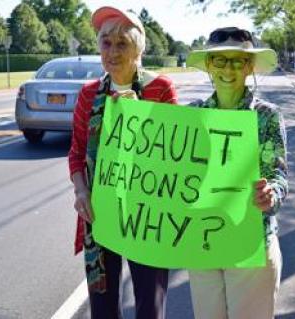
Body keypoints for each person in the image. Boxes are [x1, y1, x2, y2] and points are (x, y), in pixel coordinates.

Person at [68, 6, 177, 319]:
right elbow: (76, 152)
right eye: (106, 42)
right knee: (102, 310)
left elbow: (172, 155)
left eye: (122, 43)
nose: (112, 51)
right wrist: (80, 191)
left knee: (150, 307)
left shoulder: (160, 89)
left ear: (138, 49)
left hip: (148, 215)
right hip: (101, 214)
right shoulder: (89, 95)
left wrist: (140, 115)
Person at [185, 27, 288, 319]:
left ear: (249, 67)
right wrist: (125, 105)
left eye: (238, 61)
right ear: (208, 65)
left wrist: (271, 195)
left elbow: (279, 176)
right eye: (220, 60)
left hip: (250, 244)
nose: (228, 68)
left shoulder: (267, 116)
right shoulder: (191, 115)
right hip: (203, 243)